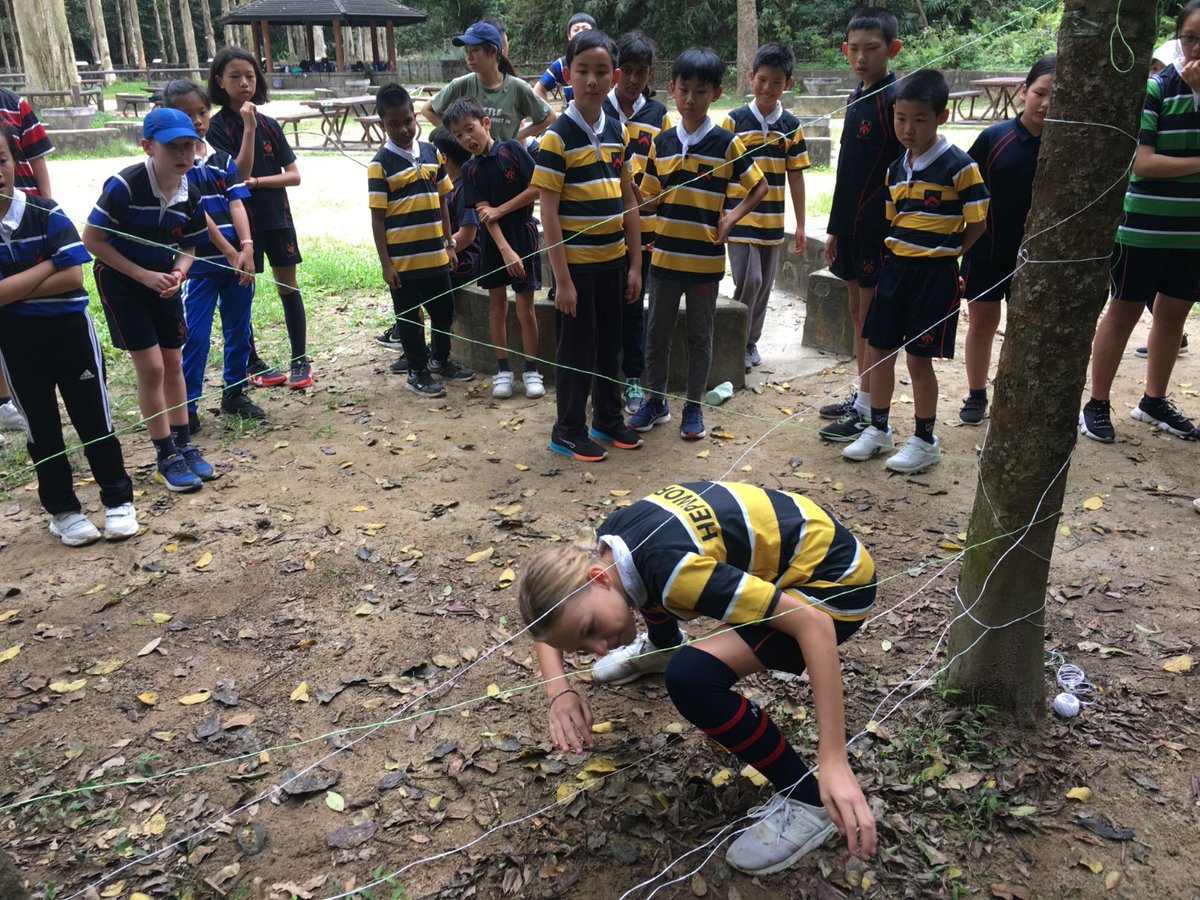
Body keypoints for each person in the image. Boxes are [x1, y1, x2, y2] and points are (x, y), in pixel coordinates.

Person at [517, 480, 878, 875]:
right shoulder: (609, 543)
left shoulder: (674, 574)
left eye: (591, 631)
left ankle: (807, 799)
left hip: (834, 590)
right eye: (583, 649)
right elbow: (552, 618)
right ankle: (663, 641)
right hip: (810, 546)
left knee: (691, 676)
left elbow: (815, 626)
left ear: (597, 578)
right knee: (648, 587)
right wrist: (558, 689)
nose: (601, 648)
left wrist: (834, 761)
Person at [841, 70, 988, 473]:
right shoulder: (895, 169)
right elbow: (895, 219)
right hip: (894, 270)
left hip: (933, 275)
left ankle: (925, 439)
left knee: (918, 360)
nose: (908, 128)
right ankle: (879, 429)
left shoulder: (960, 166)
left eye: (919, 119)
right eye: (900, 118)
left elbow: (978, 221)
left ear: (941, 116)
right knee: (878, 351)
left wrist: (949, 255)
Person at [0, 125, 139, 545]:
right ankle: (62, 510)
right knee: (41, 425)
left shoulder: (45, 210)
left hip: (70, 332)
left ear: (13, 162)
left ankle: (118, 499)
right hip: (16, 339)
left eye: (1, 160)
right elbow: (56, 271)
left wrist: (18, 286)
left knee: (92, 415)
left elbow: (73, 275)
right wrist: (49, 265)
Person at [629, 47, 767, 442]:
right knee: (655, 333)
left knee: (699, 336)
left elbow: (759, 186)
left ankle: (693, 406)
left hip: (705, 262)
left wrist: (731, 217)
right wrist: (625, 185)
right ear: (671, 88)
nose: (691, 99)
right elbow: (650, 198)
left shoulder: (726, 144)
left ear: (716, 93)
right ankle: (654, 403)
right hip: (665, 259)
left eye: (701, 92)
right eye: (684, 89)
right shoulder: (663, 142)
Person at [1080, 0, 1200, 443]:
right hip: (1143, 229)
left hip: (1193, 234)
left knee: (1173, 316)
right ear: (1177, 39)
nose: (1197, 49)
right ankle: (1096, 403)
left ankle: (1153, 401)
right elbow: (1143, 164)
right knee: (1124, 311)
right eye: (1191, 38)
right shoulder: (1156, 88)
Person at [82, 108, 215, 494]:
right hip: (123, 282)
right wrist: (142, 275)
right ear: (148, 146)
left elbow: (189, 244)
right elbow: (92, 239)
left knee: (174, 362)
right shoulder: (125, 185)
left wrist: (179, 272)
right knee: (153, 367)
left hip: (165, 283)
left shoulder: (191, 190)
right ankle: (164, 454)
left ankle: (183, 443)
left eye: (189, 145)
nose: (183, 154)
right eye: (172, 146)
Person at [531, 28, 644, 461]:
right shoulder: (557, 137)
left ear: (614, 76)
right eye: (583, 71)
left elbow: (628, 198)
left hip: (613, 263)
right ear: (568, 76)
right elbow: (549, 213)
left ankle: (608, 419)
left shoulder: (618, 131)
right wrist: (562, 281)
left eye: (601, 71)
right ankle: (568, 428)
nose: (592, 80)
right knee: (576, 350)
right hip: (575, 270)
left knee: (609, 345)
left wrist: (634, 265)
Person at [818, 8, 903, 443]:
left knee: (871, 318)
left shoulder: (895, 101)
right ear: (844, 50)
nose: (862, 57)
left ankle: (871, 409)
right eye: (855, 49)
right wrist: (835, 228)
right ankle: (863, 395)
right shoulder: (856, 96)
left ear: (892, 49)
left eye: (872, 49)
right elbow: (847, 172)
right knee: (856, 312)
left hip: (878, 229)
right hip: (850, 227)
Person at [161, 80, 264, 434]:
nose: (198, 120)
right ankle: (186, 404)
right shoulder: (176, 164)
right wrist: (231, 250)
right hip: (199, 264)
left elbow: (236, 201)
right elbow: (198, 212)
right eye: (188, 115)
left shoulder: (221, 159)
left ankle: (234, 391)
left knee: (239, 329)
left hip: (237, 262)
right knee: (196, 335)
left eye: (202, 112)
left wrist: (247, 246)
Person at [957, 56, 1055, 426]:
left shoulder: (1064, 146)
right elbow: (963, 188)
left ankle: (1022, 396)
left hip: (1036, 256)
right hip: (988, 249)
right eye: (1040, 93)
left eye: (1055, 96)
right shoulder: (995, 138)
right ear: (1024, 92)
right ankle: (977, 393)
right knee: (982, 321)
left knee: (1029, 327)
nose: (1046, 103)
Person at [207, 47, 312, 391]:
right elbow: (237, 173)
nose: (244, 83)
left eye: (250, 76)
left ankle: (300, 358)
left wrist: (259, 183)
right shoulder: (216, 128)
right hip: (241, 222)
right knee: (243, 291)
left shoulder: (270, 123)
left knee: (288, 286)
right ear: (220, 81)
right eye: (234, 76)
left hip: (276, 217)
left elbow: (294, 175)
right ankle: (251, 360)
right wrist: (248, 130)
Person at [368, 84, 475, 398]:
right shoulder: (380, 164)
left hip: (436, 256)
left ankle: (440, 359)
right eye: (393, 124)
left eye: (407, 121)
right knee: (409, 318)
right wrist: (386, 264)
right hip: (403, 263)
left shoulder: (432, 154)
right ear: (382, 124)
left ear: (415, 117)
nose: (402, 129)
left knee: (444, 310)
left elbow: (443, 201)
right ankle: (417, 370)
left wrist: (449, 243)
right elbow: (377, 218)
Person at [444, 98, 544, 400]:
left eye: (470, 129)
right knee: (497, 303)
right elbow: (485, 214)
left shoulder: (512, 150)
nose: (467, 139)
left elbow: (538, 186)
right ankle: (503, 369)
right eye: (459, 135)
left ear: (485, 123)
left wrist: (501, 210)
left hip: (523, 232)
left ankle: (531, 369)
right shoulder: (470, 170)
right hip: (493, 240)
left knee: (525, 307)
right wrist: (504, 249)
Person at [721, 42, 810, 374]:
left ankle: (748, 341)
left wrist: (800, 224)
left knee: (764, 285)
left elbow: (796, 177)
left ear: (787, 83)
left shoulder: (791, 125)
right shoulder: (734, 121)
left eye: (775, 81)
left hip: (772, 221)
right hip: (739, 216)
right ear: (750, 78)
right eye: (761, 80)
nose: (767, 88)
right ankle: (737, 340)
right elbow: (720, 170)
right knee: (752, 280)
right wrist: (720, 214)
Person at [603, 30, 671, 414]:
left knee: (634, 303)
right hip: (602, 226)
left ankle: (632, 378)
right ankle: (604, 376)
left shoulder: (656, 114)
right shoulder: (598, 109)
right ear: (614, 72)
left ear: (651, 74)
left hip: (644, 229)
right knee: (605, 304)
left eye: (641, 71)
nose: (633, 79)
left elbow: (662, 167)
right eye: (626, 70)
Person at [0, 85, 54, 436]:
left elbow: (37, 160)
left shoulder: (14, 104)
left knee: (32, 303)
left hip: (27, 218)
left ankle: (37, 384)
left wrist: (48, 209)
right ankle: (5, 400)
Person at [423, 22, 555, 144]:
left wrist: (516, 136)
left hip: (503, 164)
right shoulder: (461, 84)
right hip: (469, 166)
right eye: (466, 51)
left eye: (474, 50)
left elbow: (549, 116)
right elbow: (427, 109)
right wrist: (455, 137)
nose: (469, 57)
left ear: (492, 51)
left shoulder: (517, 88)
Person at [535, 12, 597, 106]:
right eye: (576, 30)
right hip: (571, 119)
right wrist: (548, 114)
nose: (581, 32)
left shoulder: (606, 61)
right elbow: (538, 90)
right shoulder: (561, 64)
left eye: (585, 28)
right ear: (569, 36)